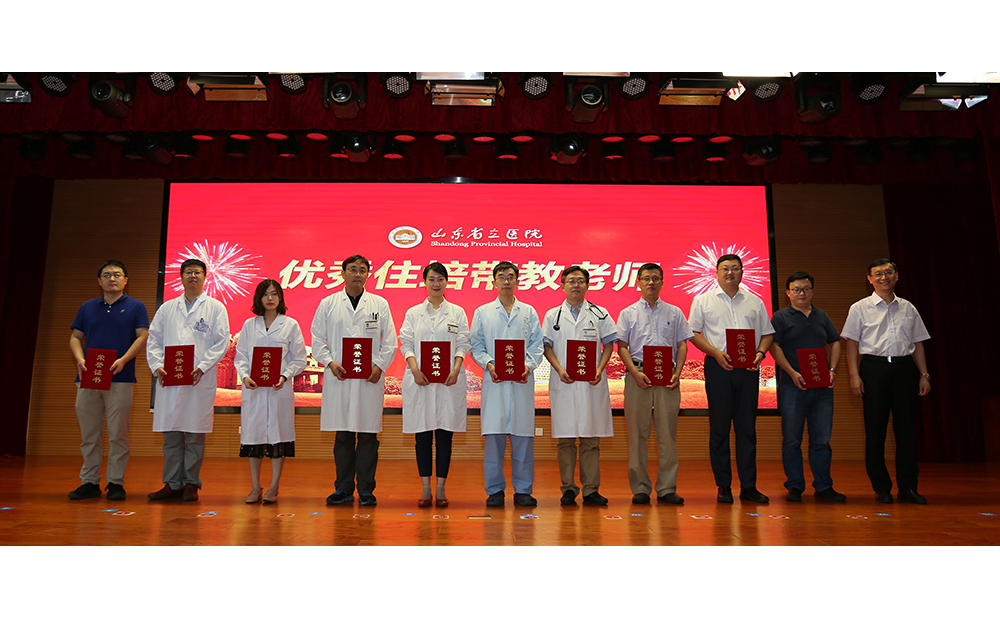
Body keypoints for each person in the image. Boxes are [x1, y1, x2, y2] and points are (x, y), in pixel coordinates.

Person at [842, 258, 931, 505]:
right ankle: (881, 487)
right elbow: (851, 343)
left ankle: (908, 488)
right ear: (870, 279)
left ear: (896, 276)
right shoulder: (859, 308)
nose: (884, 277)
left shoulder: (908, 308)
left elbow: (918, 343)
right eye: (878, 274)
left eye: (888, 272)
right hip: (873, 369)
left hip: (904, 369)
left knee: (906, 432)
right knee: (875, 431)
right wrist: (854, 375)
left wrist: (924, 374)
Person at [311, 255, 397, 507]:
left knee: (368, 436)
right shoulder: (328, 303)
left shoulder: (379, 304)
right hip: (340, 377)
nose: (357, 274)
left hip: (369, 379)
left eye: (362, 270)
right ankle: (343, 488)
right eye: (352, 269)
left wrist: (379, 365)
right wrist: (330, 362)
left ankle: (367, 490)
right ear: (342, 273)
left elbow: (390, 341)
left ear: (368, 275)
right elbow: (317, 339)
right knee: (343, 435)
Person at [690, 253, 774, 504]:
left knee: (747, 428)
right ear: (716, 273)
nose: (730, 273)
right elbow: (693, 333)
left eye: (735, 268)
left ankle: (749, 486)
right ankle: (723, 485)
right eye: (725, 268)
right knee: (719, 428)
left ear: (742, 272)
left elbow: (767, 334)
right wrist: (716, 353)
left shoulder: (755, 302)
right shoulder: (703, 301)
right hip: (718, 368)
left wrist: (760, 353)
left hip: (748, 370)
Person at [146, 258, 230, 502]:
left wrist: (202, 366)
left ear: (205, 276)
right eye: (188, 272)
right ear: (181, 277)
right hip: (170, 379)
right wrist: (157, 365)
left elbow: (221, 342)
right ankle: (173, 483)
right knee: (171, 434)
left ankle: (191, 483)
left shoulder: (215, 308)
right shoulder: (167, 308)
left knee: (195, 434)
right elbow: (154, 339)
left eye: (197, 272)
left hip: (198, 379)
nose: (193, 276)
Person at [67, 260, 150, 501]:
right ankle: (89, 481)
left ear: (125, 280)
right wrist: (80, 359)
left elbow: (142, 336)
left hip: (120, 378)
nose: (112, 279)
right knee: (89, 434)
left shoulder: (136, 307)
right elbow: (75, 337)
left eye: (117, 275)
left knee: (118, 434)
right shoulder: (87, 307)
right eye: (106, 275)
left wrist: (123, 360)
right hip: (88, 377)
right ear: (99, 281)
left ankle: (115, 482)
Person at [616, 262, 693, 506]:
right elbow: (622, 347)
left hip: (667, 376)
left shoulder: (674, 312)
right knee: (637, 434)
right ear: (638, 282)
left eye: (655, 278)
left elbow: (682, 344)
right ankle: (640, 487)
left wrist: (678, 372)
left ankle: (667, 488)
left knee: (667, 433)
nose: (651, 282)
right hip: (637, 375)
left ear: (662, 282)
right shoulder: (628, 313)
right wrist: (634, 373)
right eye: (646, 278)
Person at [542, 266, 618, 506]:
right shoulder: (552, 315)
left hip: (591, 382)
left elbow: (609, 344)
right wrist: (559, 369)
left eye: (580, 281)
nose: (576, 285)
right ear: (562, 285)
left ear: (587, 285)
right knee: (565, 440)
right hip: (564, 382)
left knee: (590, 439)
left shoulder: (600, 313)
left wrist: (600, 369)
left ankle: (591, 489)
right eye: (571, 281)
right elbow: (547, 347)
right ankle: (568, 488)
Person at [470, 261, 543, 507]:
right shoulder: (483, 312)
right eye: (501, 276)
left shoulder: (529, 311)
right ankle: (495, 491)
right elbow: (476, 345)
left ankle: (523, 490)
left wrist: (528, 366)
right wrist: (489, 363)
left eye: (511, 276)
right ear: (494, 282)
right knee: (494, 441)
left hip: (521, 383)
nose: (506, 281)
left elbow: (537, 345)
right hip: (495, 383)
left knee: (523, 441)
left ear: (517, 281)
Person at [769, 271, 845, 503]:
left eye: (806, 289)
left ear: (812, 291)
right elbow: (774, 346)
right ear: (788, 293)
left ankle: (823, 486)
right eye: (796, 289)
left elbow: (835, 342)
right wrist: (792, 373)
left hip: (822, 388)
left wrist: (832, 370)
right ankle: (794, 485)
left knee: (821, 440)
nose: (802, 293)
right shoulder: (780, 317)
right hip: (793, 386)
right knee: (792, 440)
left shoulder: (822, 316)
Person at [398, 263, 470, 508]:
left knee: (444, 437)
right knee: (422, 437)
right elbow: (406, 343)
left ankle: (441, 487)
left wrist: (456, 368)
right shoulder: (413, 313)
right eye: (431, 279)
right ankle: (425, 488)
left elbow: (463, 343)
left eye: (440, 279)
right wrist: (415, 369)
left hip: (448, 381)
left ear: (447, 282)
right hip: (421, 381)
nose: (436, 283)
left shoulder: (457, 312)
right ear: (425, 282)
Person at [233, 280, 308, 505]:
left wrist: (284, 375)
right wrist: (245, 376)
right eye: (265, 294)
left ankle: (274, 486)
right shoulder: (249, 325)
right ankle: (256, 487)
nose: (270, 298)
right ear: (259, 298)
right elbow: (241, 356)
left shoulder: (290, 325)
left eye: (274, 294)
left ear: (280, 298)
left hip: (279, 389)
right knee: (253, 437)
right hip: (254, 389)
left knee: (278, 437)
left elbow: (300, 359)